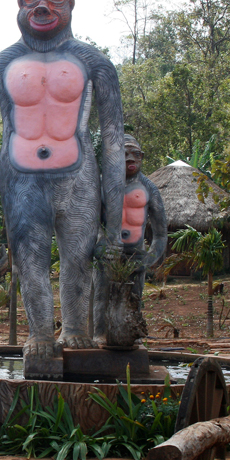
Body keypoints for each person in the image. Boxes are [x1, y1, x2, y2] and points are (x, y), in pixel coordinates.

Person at [0, 0, 126, 359]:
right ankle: (39, 334)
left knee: (79, 258)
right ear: (20, 4)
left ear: (71, 5)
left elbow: (115, 143)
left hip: (78, 177)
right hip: (20, 181)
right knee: (29, 259)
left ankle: (74, 328)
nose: (43, 6)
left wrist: (117, 225)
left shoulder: (94, 64)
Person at [92, 135, 167, 344]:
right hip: (108, 250)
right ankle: (100, 333)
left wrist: (150, 258)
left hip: (136, 252)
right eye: (124, 154)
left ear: (142, 157)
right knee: (101, 294)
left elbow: (161, 233)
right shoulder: (101, 185)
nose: (130, 159)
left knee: (135, 297)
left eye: (135, 154)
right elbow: (89, 222)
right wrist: (100, 245)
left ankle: (131, 335)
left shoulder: (149, 188)